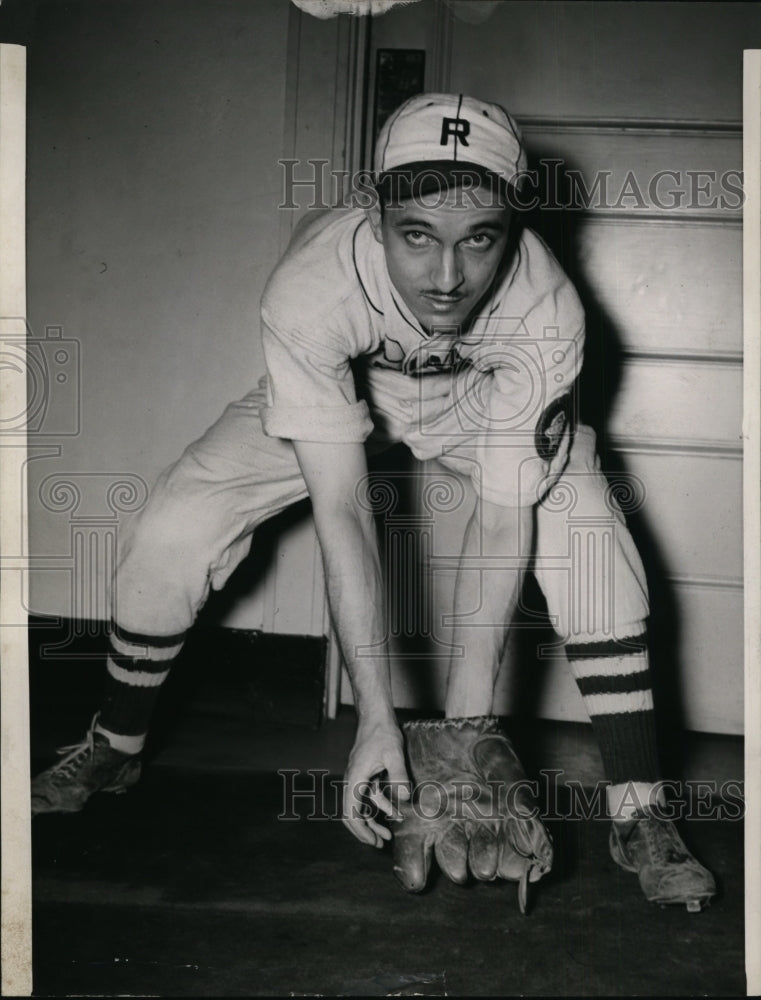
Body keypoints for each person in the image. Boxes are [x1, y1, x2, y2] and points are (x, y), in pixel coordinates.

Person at [31, 92, 715, 911]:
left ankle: (638, 812)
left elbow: (501, 525)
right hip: (356, 391)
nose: (448, 276)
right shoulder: (312, 288)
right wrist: (376, 724)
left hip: (483, 399)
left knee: (598, 553)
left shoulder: (545, 308)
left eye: (480, 238)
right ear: (373, 209)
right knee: (174, 528)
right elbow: (345, 513)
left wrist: (467, 739)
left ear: (513, 225)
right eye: (417, 235)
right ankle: (116, 742)